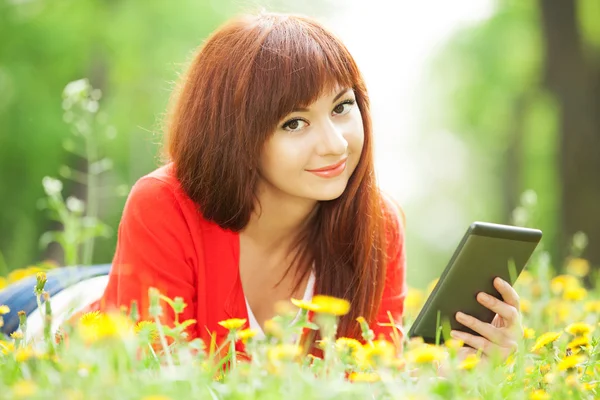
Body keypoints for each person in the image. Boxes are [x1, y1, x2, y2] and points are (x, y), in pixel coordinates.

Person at [80, 11, 522, 361]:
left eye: (342, 107)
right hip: (55, 312)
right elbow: (147, 380)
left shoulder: (378, 222)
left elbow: (370, 379)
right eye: (295, 123)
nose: (334, 144)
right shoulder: (163, 205)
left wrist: (461, 374)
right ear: (235, 135)